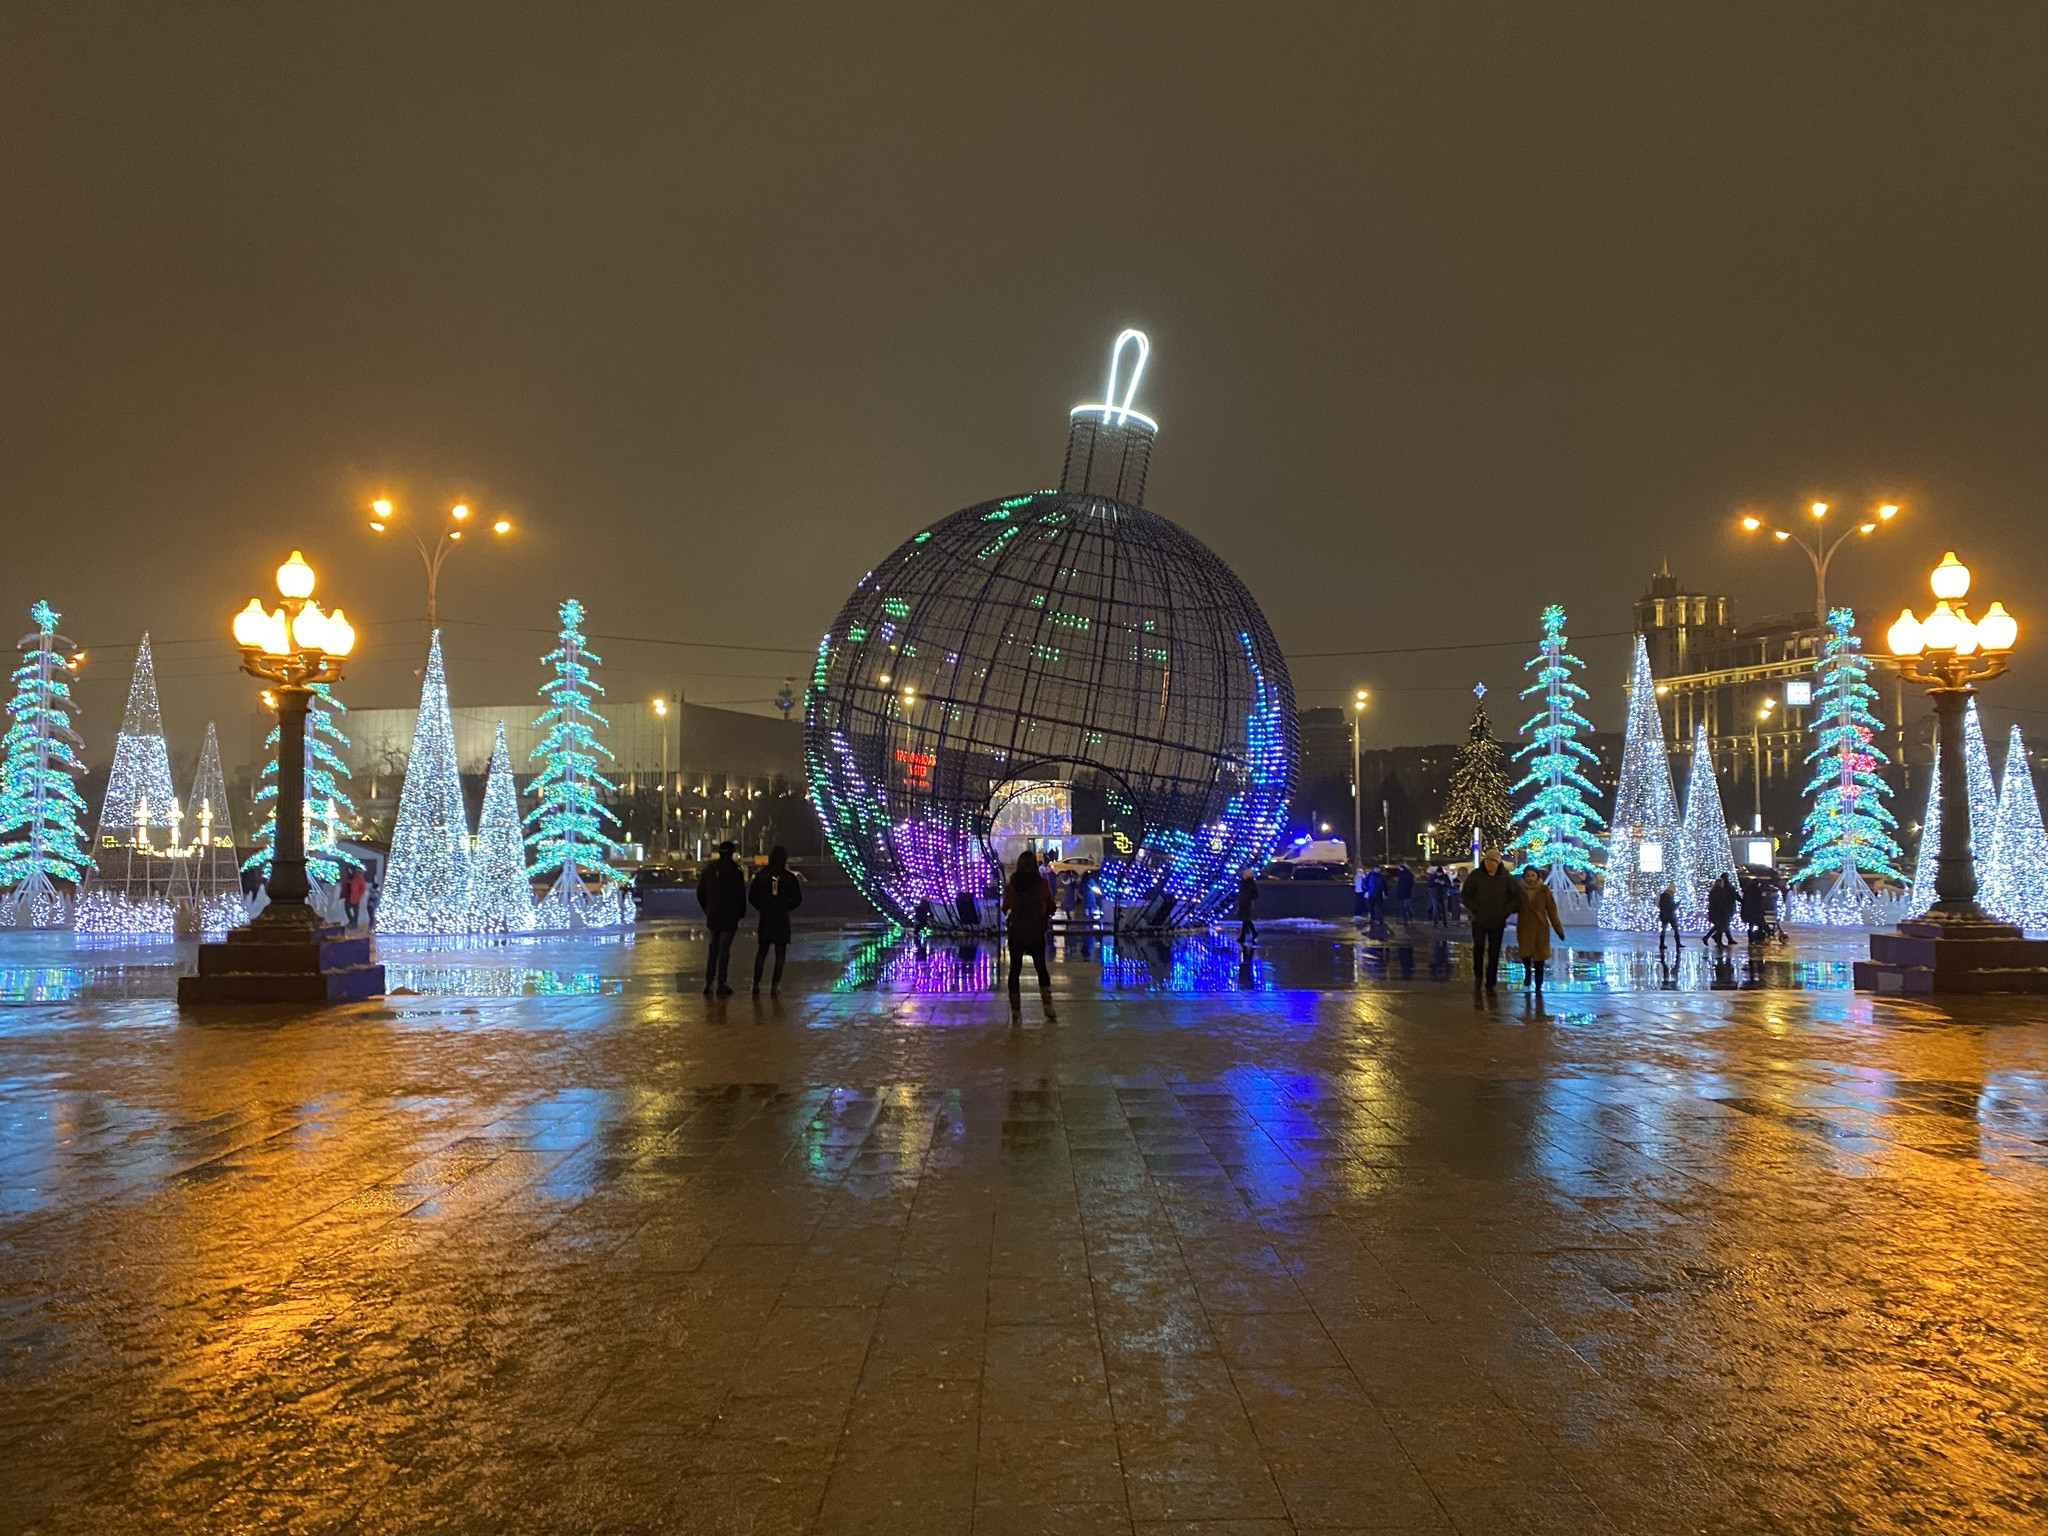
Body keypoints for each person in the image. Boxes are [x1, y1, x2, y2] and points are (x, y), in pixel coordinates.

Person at [1002, 848, 1057, 1018]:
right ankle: (1048, 1007)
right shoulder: (1041, 884)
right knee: (1041, 969)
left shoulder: (1012, 885)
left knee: (1014, 970)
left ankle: (1016, 1010)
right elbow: (1051, 907)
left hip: (1016, 932)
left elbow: (1005, 908)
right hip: (1035, 932)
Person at [1460, 847, 1520, 992]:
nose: (1489, 863)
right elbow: (1466, 895)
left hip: (1497, 920)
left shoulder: (1505, 878)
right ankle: (1478, 974)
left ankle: (1491, 978)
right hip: (1479, 920)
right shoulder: (1476, 876)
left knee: (1494, 951)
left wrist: (1506, 911)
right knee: (1479, 947)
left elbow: (1516, 896)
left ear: (1498, 863)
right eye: (1487, 860)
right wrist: (1474, 908)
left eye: (1493, 861)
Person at [748, 846, 803, 996]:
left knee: (762, 950)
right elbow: (797, 899)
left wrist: (762, 907)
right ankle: (775, 984)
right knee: (780, 952)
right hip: (782, 917)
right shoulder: (789, 877)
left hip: (766, 917)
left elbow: (752, 897)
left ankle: (756, 983)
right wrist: (787, 907)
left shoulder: (761, 876)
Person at [695, 841, 748, 996]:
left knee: (713, 949)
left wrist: (708, 909)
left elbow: (701, 894)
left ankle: (708, 982)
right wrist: (739, 914)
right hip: (729, 917)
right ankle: (721, 983)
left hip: (713, 915)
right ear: (732, 853)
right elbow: (740, 896)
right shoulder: (736, 871)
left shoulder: (709, 870)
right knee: (724, 950)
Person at [1515, 864, 1567, 994]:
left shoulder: (1544, 890)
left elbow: (1552, 912)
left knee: (1540, 957)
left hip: (1540, 926)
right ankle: (1527, 972)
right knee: (1525, 954)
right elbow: (1511, 906)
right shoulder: (1519, 890)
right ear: (1524, 876)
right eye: (1528, 875)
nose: (1530, 878)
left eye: (1533, 875)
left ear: (1538, 876)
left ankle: (1539, 984)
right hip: (1525, 925)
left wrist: (1559, 930)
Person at [1706, 873, 1737, 949]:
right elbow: (1717, 902)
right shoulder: (1719, 891)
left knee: (1721, 926)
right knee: (1722, 926)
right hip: (1719, 912)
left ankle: (1714, 939)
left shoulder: (1718, 890)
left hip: (1720, 911)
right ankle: (1714, 938)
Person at [1738, 872, 1765, 944]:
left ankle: (1751, 939)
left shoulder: (1747, 890)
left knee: (1751, 925)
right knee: (1760, 925)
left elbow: (1745, 901)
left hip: (1749, 911)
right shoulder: (1757, 891)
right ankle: (1758, 938)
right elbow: (1759, 902)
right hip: (1756, 911)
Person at [1656, 884, 1682, 952]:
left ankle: (1662, 944)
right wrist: (1677, 905)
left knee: (1664, 930)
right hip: (1669, 915)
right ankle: (1678, 943)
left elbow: (1661, 905)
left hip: (1664, 915)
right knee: (1675, 929)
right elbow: (1671, 907)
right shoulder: (1668, 896)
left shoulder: (1664, 896)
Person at [1235, 871, 1258, 945]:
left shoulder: (1248, 883)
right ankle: (1253, 933)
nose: (1242, 875)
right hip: (1244, 902)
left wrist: (1246, 898)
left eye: (1244, 874)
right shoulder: (1245, 882)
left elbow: (1253, 893)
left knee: (1245, 919)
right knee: (1246, 919)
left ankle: (1243, 936)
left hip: (1246, 903)